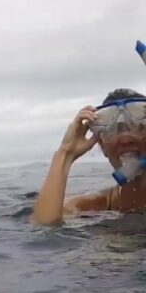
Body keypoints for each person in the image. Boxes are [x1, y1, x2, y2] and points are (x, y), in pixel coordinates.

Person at [31, 88, 146, 225]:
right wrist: (65, 153)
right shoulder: (93, 207)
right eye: (112, 131)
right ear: (103, 147)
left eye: (139, 127)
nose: (125, 140)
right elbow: (44, 228)